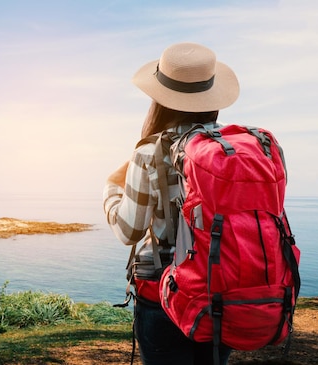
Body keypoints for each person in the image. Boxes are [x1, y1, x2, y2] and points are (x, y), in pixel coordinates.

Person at [103, 42, 239, 365]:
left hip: (164, 298)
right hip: (223, 296)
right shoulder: (234, 148)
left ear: (160, 100)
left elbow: (128, 232)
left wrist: (110, 189)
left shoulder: (149, 152)